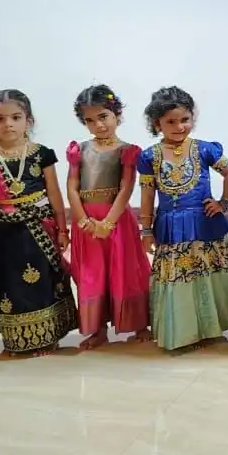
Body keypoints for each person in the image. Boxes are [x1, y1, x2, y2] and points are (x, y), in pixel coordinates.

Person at [138, 87, 228, 352]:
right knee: (180, 278)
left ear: (192, 118)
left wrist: (224, 203)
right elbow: (148, 194)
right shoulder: (149, 157)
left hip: (206, 224)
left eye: (184, 119)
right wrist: (146, 230)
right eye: (170, 121)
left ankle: (211, 328)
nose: (179, 126)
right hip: (172, 228)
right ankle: (184, 332)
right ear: (157, 123)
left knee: (207, 276)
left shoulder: (206, 149)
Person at [0, 89, 77, 358]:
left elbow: (54, 192)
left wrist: (62, 229)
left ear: (28, 121)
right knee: (10, 283)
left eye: (16, 117)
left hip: (38, 229)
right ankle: (17, 341)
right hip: (4, 233)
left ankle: (48, 337)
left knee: (43, 280)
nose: (8, 124)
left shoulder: (41, 154)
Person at [66, 85, 152, 349]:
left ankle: (139, 324)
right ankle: (97, 329)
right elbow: (72, 186)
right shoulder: (79, 150)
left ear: (117, 115)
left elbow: (126, 188)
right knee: (92, 275)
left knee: (125, 271)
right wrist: (82, 221)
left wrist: (108, 223)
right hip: (87, 223)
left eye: (103, 116)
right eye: (89, 120)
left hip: (116, 221)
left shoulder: (127, 151)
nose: (97, 125)